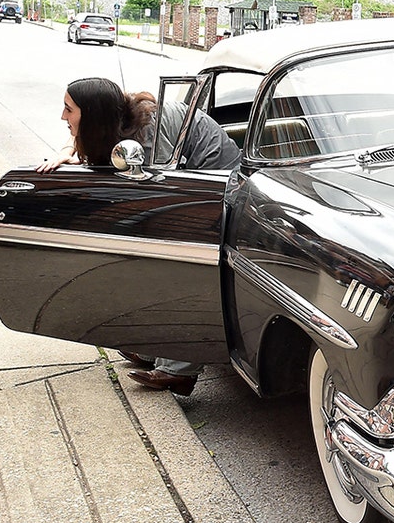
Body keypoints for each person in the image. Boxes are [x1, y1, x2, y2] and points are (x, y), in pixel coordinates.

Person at [36, 77, 241, 395]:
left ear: (93, 115)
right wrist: (67, 151)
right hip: (193, 182)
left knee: (176, 265)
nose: (63, 116)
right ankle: (152, 346)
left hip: (222, 189)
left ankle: (179, 368)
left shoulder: (147, 138)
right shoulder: (118, 119)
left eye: (69, 109)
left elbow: (163, 196)